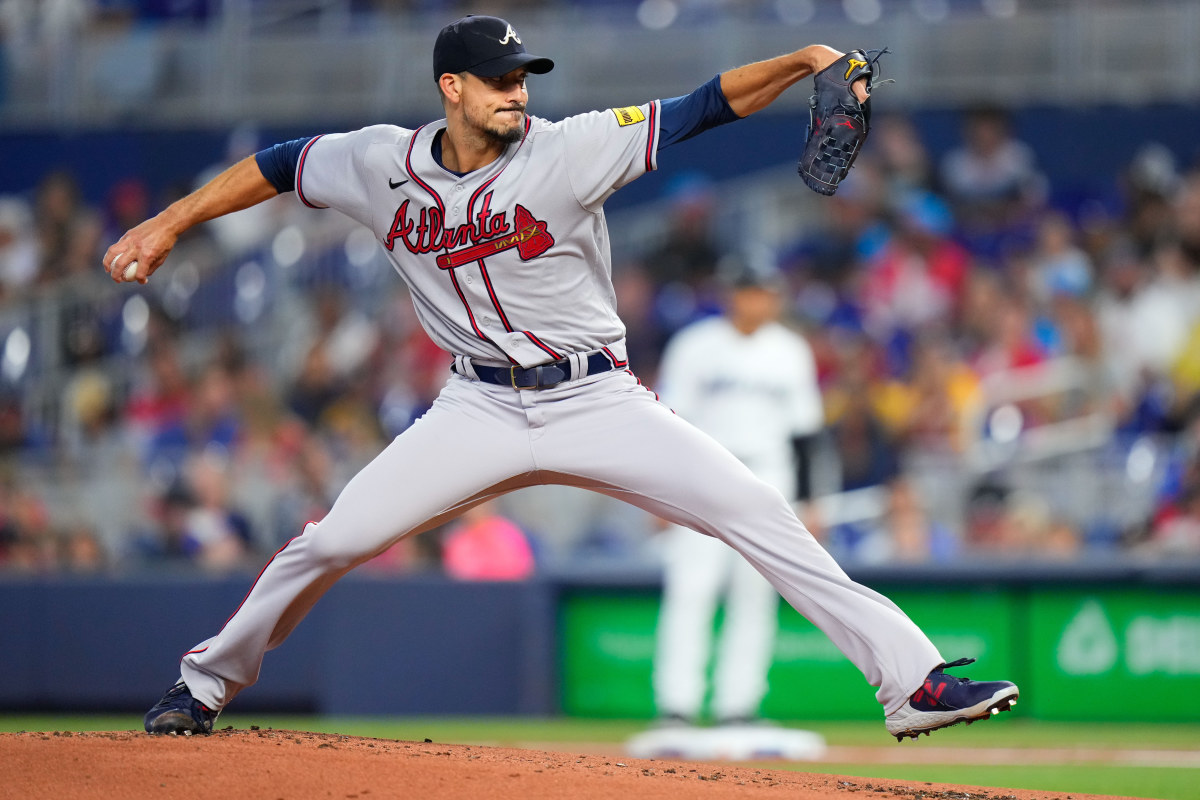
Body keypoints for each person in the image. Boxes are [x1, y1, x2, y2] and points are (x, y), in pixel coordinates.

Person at [105, 14, 1018, 741]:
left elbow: (704, 104)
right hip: (475, 405)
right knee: (332, 541)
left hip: (597, 398)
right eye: (500, 79)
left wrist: (807, 57)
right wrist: (170, 224)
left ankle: (913, 683)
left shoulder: (572, 145)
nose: (517, 92)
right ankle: (203, 684)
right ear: (451, 88)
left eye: (524, 77)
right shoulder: (377, 161)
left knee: (758, 514)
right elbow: (274, 168)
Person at [651, 251, 823, 728]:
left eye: (765, 292)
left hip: (770, 475)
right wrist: (659, 491)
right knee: (691, 588)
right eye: (750, 291)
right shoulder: (695, 345)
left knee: (756, 593)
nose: (758, 301)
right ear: (731, 294)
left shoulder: (791, 349)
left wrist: (810, 503)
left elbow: (805, 436)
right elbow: (669, 423)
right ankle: (676, 704)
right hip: (705, 471)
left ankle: (738, 705)